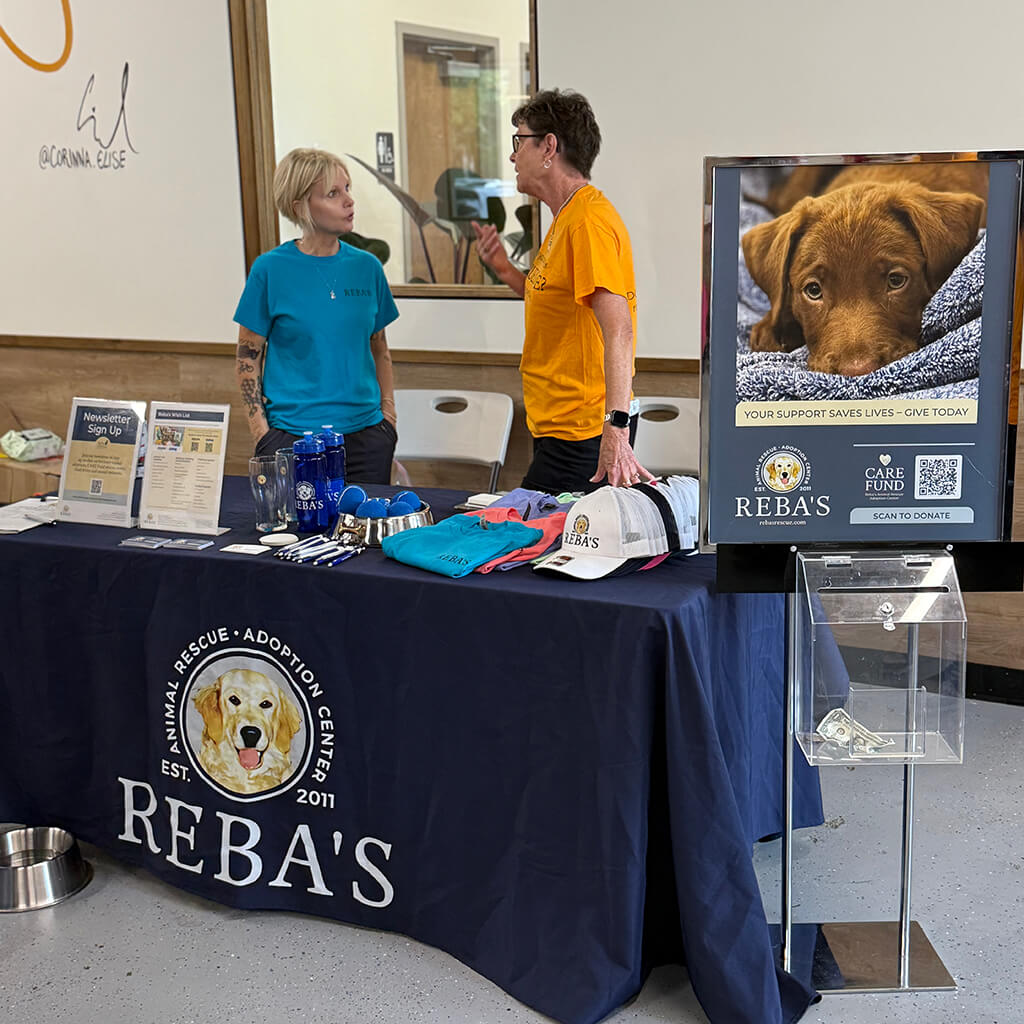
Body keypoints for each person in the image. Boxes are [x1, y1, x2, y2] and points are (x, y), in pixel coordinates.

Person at [472, 88, 653, 494]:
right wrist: (503, 267)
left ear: (549, 146)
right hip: (559, 426)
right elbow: (555, 304)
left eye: (519, 141)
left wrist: (617, 426)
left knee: (532, 540)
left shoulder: (587, 221)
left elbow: (618, 327)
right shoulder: (566, 218)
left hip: (584, 432)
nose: (513, 156)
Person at [234, 147, 398, 483]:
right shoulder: (270, 270)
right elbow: (246, 359)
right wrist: (261, 434)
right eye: (334, 194)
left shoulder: (367, 267)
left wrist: (388, 418)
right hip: (293, 441)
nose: (349, 201)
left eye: (347, 189)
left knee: (365, 534)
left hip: (367, 438)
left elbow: (379, 348)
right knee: (297, 536)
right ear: (301, 206)